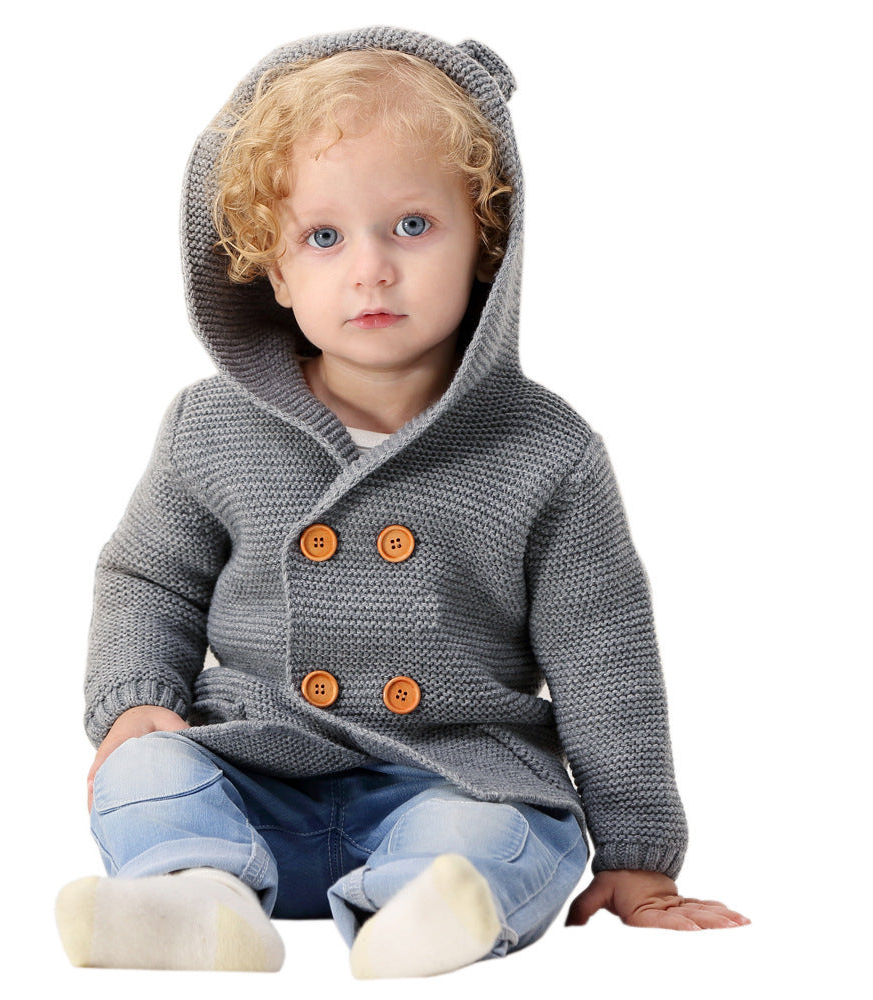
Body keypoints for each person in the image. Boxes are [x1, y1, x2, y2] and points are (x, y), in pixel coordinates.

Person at [55, 27, 748, 978]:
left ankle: (424, 914)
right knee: (142, 772)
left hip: (453, 777)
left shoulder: (546, 452)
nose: (371, 268)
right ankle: (199, 893)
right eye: (324, 237)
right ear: (273, 267)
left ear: (486, 243)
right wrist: (137, 700)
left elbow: (604, 656)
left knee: (514, 831)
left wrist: (638, 853)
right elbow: (148, 578)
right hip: (255, 769)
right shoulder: (210, 427)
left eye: (412, 226)